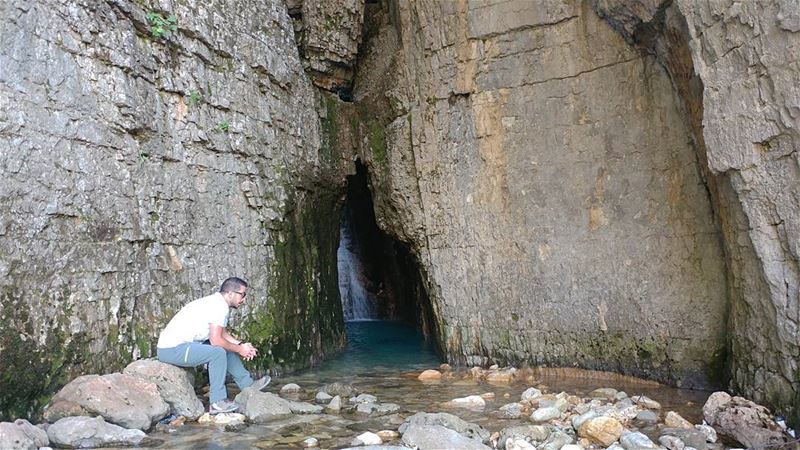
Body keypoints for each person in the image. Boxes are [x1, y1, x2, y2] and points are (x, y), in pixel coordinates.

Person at [156, 276, 270, 414]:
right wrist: (240, 350)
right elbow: (216, 341)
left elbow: (221, 333)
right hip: (172, 349)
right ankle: (217, 402)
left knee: (225, 348)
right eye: (243, 294)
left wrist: (241, 345)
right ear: (230, 293)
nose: (244, 299)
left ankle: (248, 386)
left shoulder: (217, 303)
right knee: (218, 352)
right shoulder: (219, 307)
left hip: (183, 346)